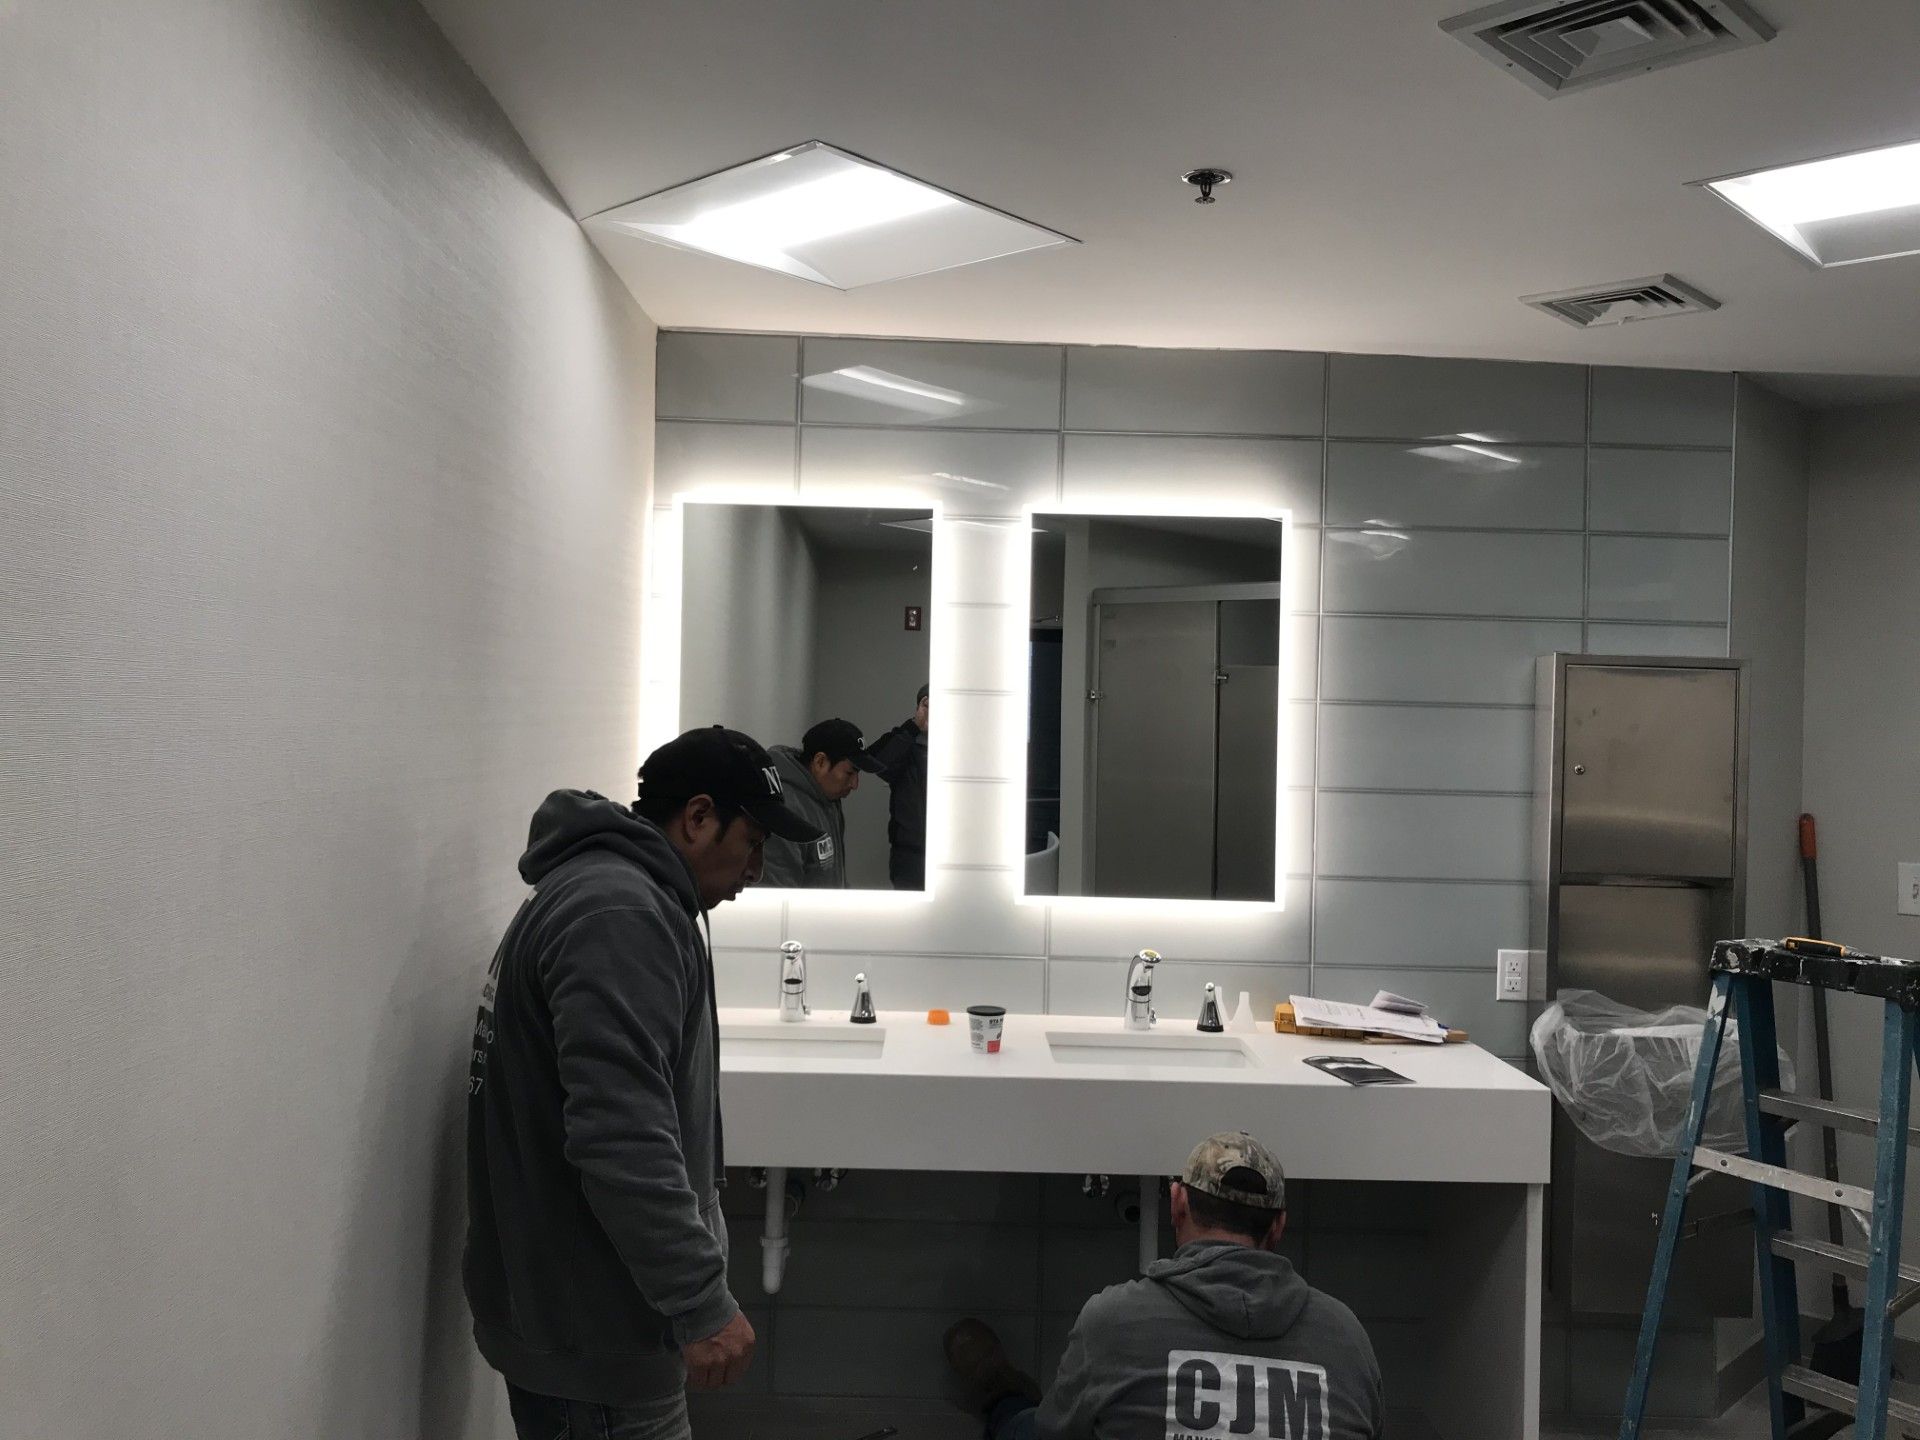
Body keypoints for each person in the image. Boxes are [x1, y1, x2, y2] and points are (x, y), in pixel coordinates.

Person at [464, 726, 824, 1440]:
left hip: (581, 1320)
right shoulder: (620, 915)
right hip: (597, 1340)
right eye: (751, 841)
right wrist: (699, 1300)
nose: (757, 868)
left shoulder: (612, 895)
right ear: (696, 817)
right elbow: (621, 1138)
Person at [945, 1131, 1386, 1440]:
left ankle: (998, 1390)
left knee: (1026, 1425)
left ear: (1177, 1205)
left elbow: (1054, 1433)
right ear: (1278, 1227)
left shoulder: (1112, 1323)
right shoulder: (1347, 1339)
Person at [759, 717, 883, 889]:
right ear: (820, 762)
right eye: (849, 773)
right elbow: (777, 894)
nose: (855, 784)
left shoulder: (830, 800)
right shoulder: (784, 809)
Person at [868, 681, 930, 891]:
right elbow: (880, 766)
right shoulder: (905, 743)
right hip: (910, 855)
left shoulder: (965, 745)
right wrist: (914, 726)